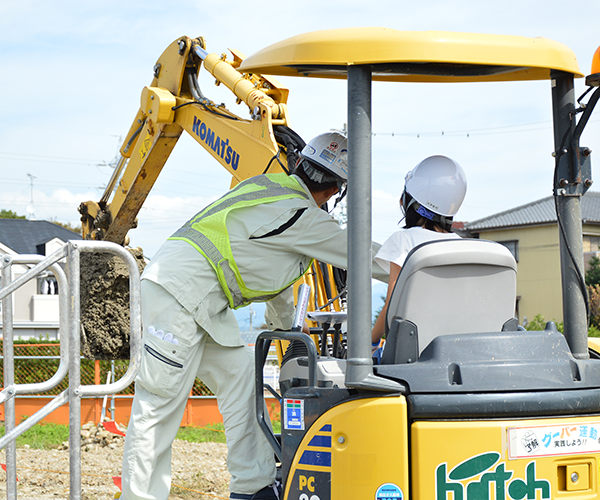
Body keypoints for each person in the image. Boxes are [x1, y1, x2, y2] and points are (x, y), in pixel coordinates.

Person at [120, 131, 388, 500]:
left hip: (198, 296)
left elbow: (275, 284)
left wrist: (288, 339)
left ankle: (252, 486)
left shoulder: (269, 187)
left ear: (300, 164)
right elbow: (364, 254)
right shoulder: (302, 218)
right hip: (178, 292)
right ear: (334, 191)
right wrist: (420, 261)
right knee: (159, 403)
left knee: (241, 374)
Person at [371, 155, 467, 350]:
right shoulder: (462, 245)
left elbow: (393, 302)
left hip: (411, 352)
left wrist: (371, 340)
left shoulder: (404, 240)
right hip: (456, 349)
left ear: (410, 202)